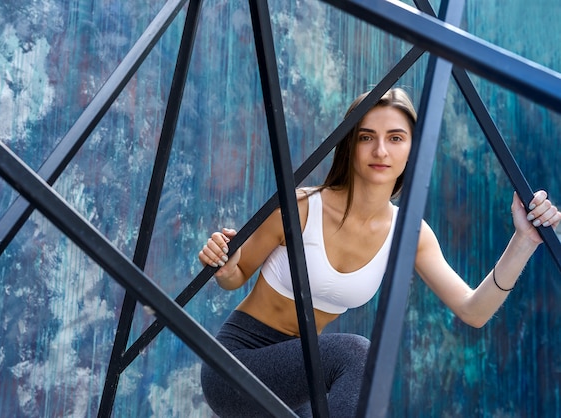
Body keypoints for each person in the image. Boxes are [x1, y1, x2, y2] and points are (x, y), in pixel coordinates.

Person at [197, 88, 560, 417]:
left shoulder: (410, 233)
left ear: (412, 149)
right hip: (237, 365)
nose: (380, 150)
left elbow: (473, 310)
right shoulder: (301, 207)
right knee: (358, 355)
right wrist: (221, 261)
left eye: (395, 138)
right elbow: (235, 276)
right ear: (348, 144)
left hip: (302, 383)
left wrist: (524, 240)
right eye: (366, 137)